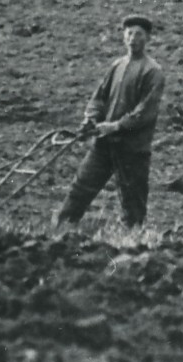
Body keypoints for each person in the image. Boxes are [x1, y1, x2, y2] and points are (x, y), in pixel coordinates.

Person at [53, 14, 166, 232]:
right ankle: (59, 232)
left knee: (132, 202)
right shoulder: (117, 66)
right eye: (129, 33)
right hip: (104, 144)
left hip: (132, 148)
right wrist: (91, 118)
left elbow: (145, 112)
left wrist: (116, 126)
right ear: (124, 37)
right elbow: (99, 97)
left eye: (139, 34)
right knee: (81, 188)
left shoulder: (153, 71)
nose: (133, 38)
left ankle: (134, 244)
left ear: (148, 39)